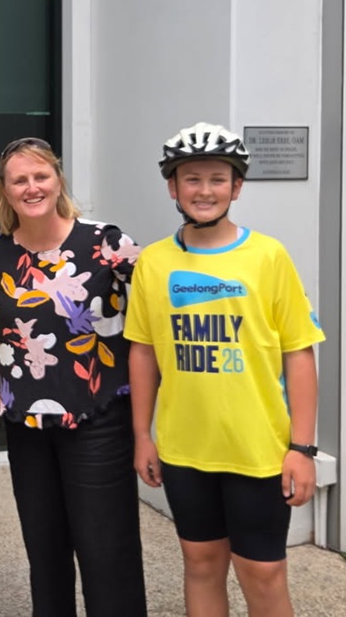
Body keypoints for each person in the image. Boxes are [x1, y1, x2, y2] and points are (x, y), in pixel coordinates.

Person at [126, 122, 325, 617]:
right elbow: (144, 351)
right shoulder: (154, 262)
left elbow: (299, 353)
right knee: (200, 563)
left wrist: (302, 448)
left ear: (237, 187)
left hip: (258, 450)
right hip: (185, 449)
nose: (204, 190)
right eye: (191, 179)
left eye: (218, 178)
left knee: (262, 573)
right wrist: (142, 437)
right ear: (173, 188)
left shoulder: (268, 256)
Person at [0, 137, 146, 617]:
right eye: (20, 180)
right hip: (27, 427)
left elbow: (155, 315)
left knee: (106, 552)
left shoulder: (106, 243)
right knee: (45, 555)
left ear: (58, 180)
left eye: (41, 176)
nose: (32, 187)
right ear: (5, 192)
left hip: (99, 421)